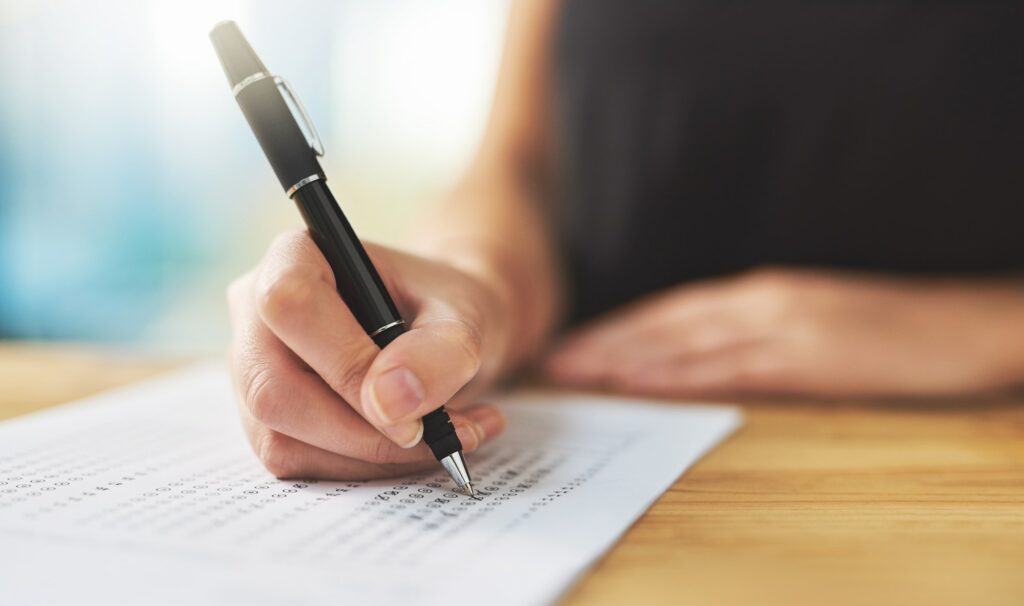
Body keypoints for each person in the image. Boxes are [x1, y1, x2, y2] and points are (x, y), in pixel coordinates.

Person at [227, 1, 1024, 480]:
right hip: (593, 433)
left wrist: (983, 332)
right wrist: (476, 291)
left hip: (966, 462)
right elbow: (518, 166)